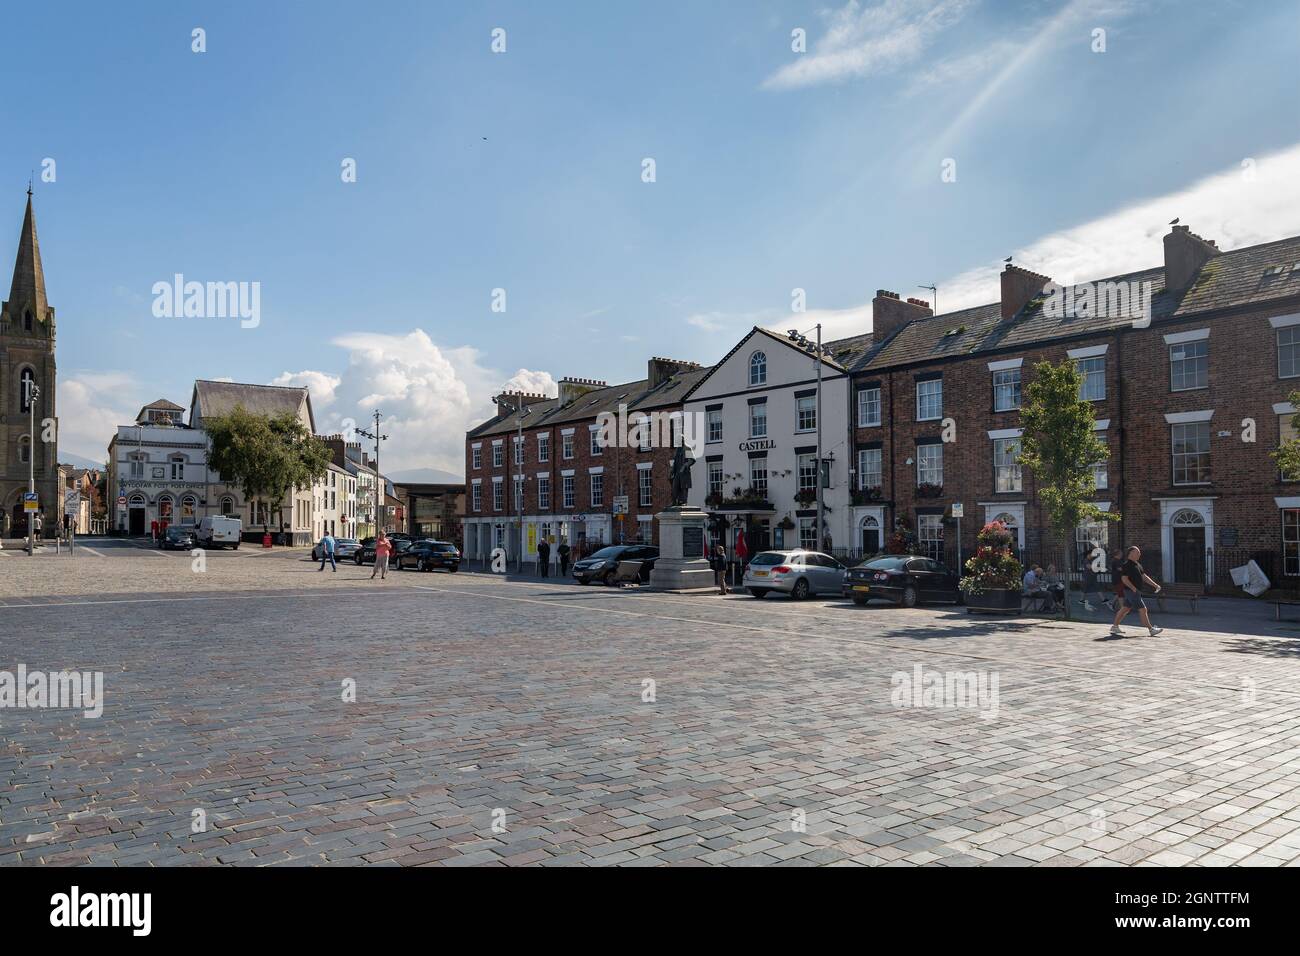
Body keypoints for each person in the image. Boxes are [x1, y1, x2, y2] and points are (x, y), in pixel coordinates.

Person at [1111, 545, 1163, 638]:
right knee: (1143, 609)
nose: (1140, 554)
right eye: (1137, 552)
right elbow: (1124, 579)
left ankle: (1115, 626)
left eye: (1139, 552)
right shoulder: (1126, 565)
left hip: (1134, 591)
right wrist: (1133, 588)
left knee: (1125, 609)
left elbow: (1144, 577)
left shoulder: (1138, 565)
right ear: (1131, 553)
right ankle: (1151, 630)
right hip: (1131, 592)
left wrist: (1155, 585)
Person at [1079, 543, 1114, 612]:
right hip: (1087, 577)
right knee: (1085, 589)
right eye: (1091, 554)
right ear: (1088, 555)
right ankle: (1081, 600)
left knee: (1097, 587)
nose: (1092, 555)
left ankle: (1103, 599)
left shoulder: (1091, 560)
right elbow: (1089, 567)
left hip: (1092, 576)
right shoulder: (1086, 560)